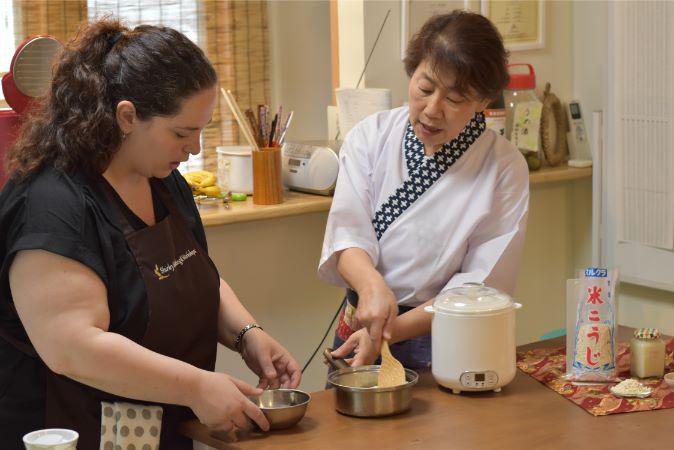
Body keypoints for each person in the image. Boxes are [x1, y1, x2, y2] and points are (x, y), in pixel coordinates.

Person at [0, 19, 301, 450]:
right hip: (69, 432)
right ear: (127, 116)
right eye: (182, 132)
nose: (195, 148)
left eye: (201, 129)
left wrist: (246, 334)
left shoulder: (164, 180)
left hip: (156, 430)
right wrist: (195, 387)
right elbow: (71, 346)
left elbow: (192, 277)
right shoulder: (51, 202)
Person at [319, 11, 529, 368]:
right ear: (412, 72)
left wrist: (389, 331)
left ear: (482, 101)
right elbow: (347, 234)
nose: (432, 110)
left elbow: (482, 283)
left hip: (444, 333)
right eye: (425, 88)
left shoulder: (504, 167)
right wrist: (370, 286)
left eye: (456, 98)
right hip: (361, 320)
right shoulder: (370, 137)